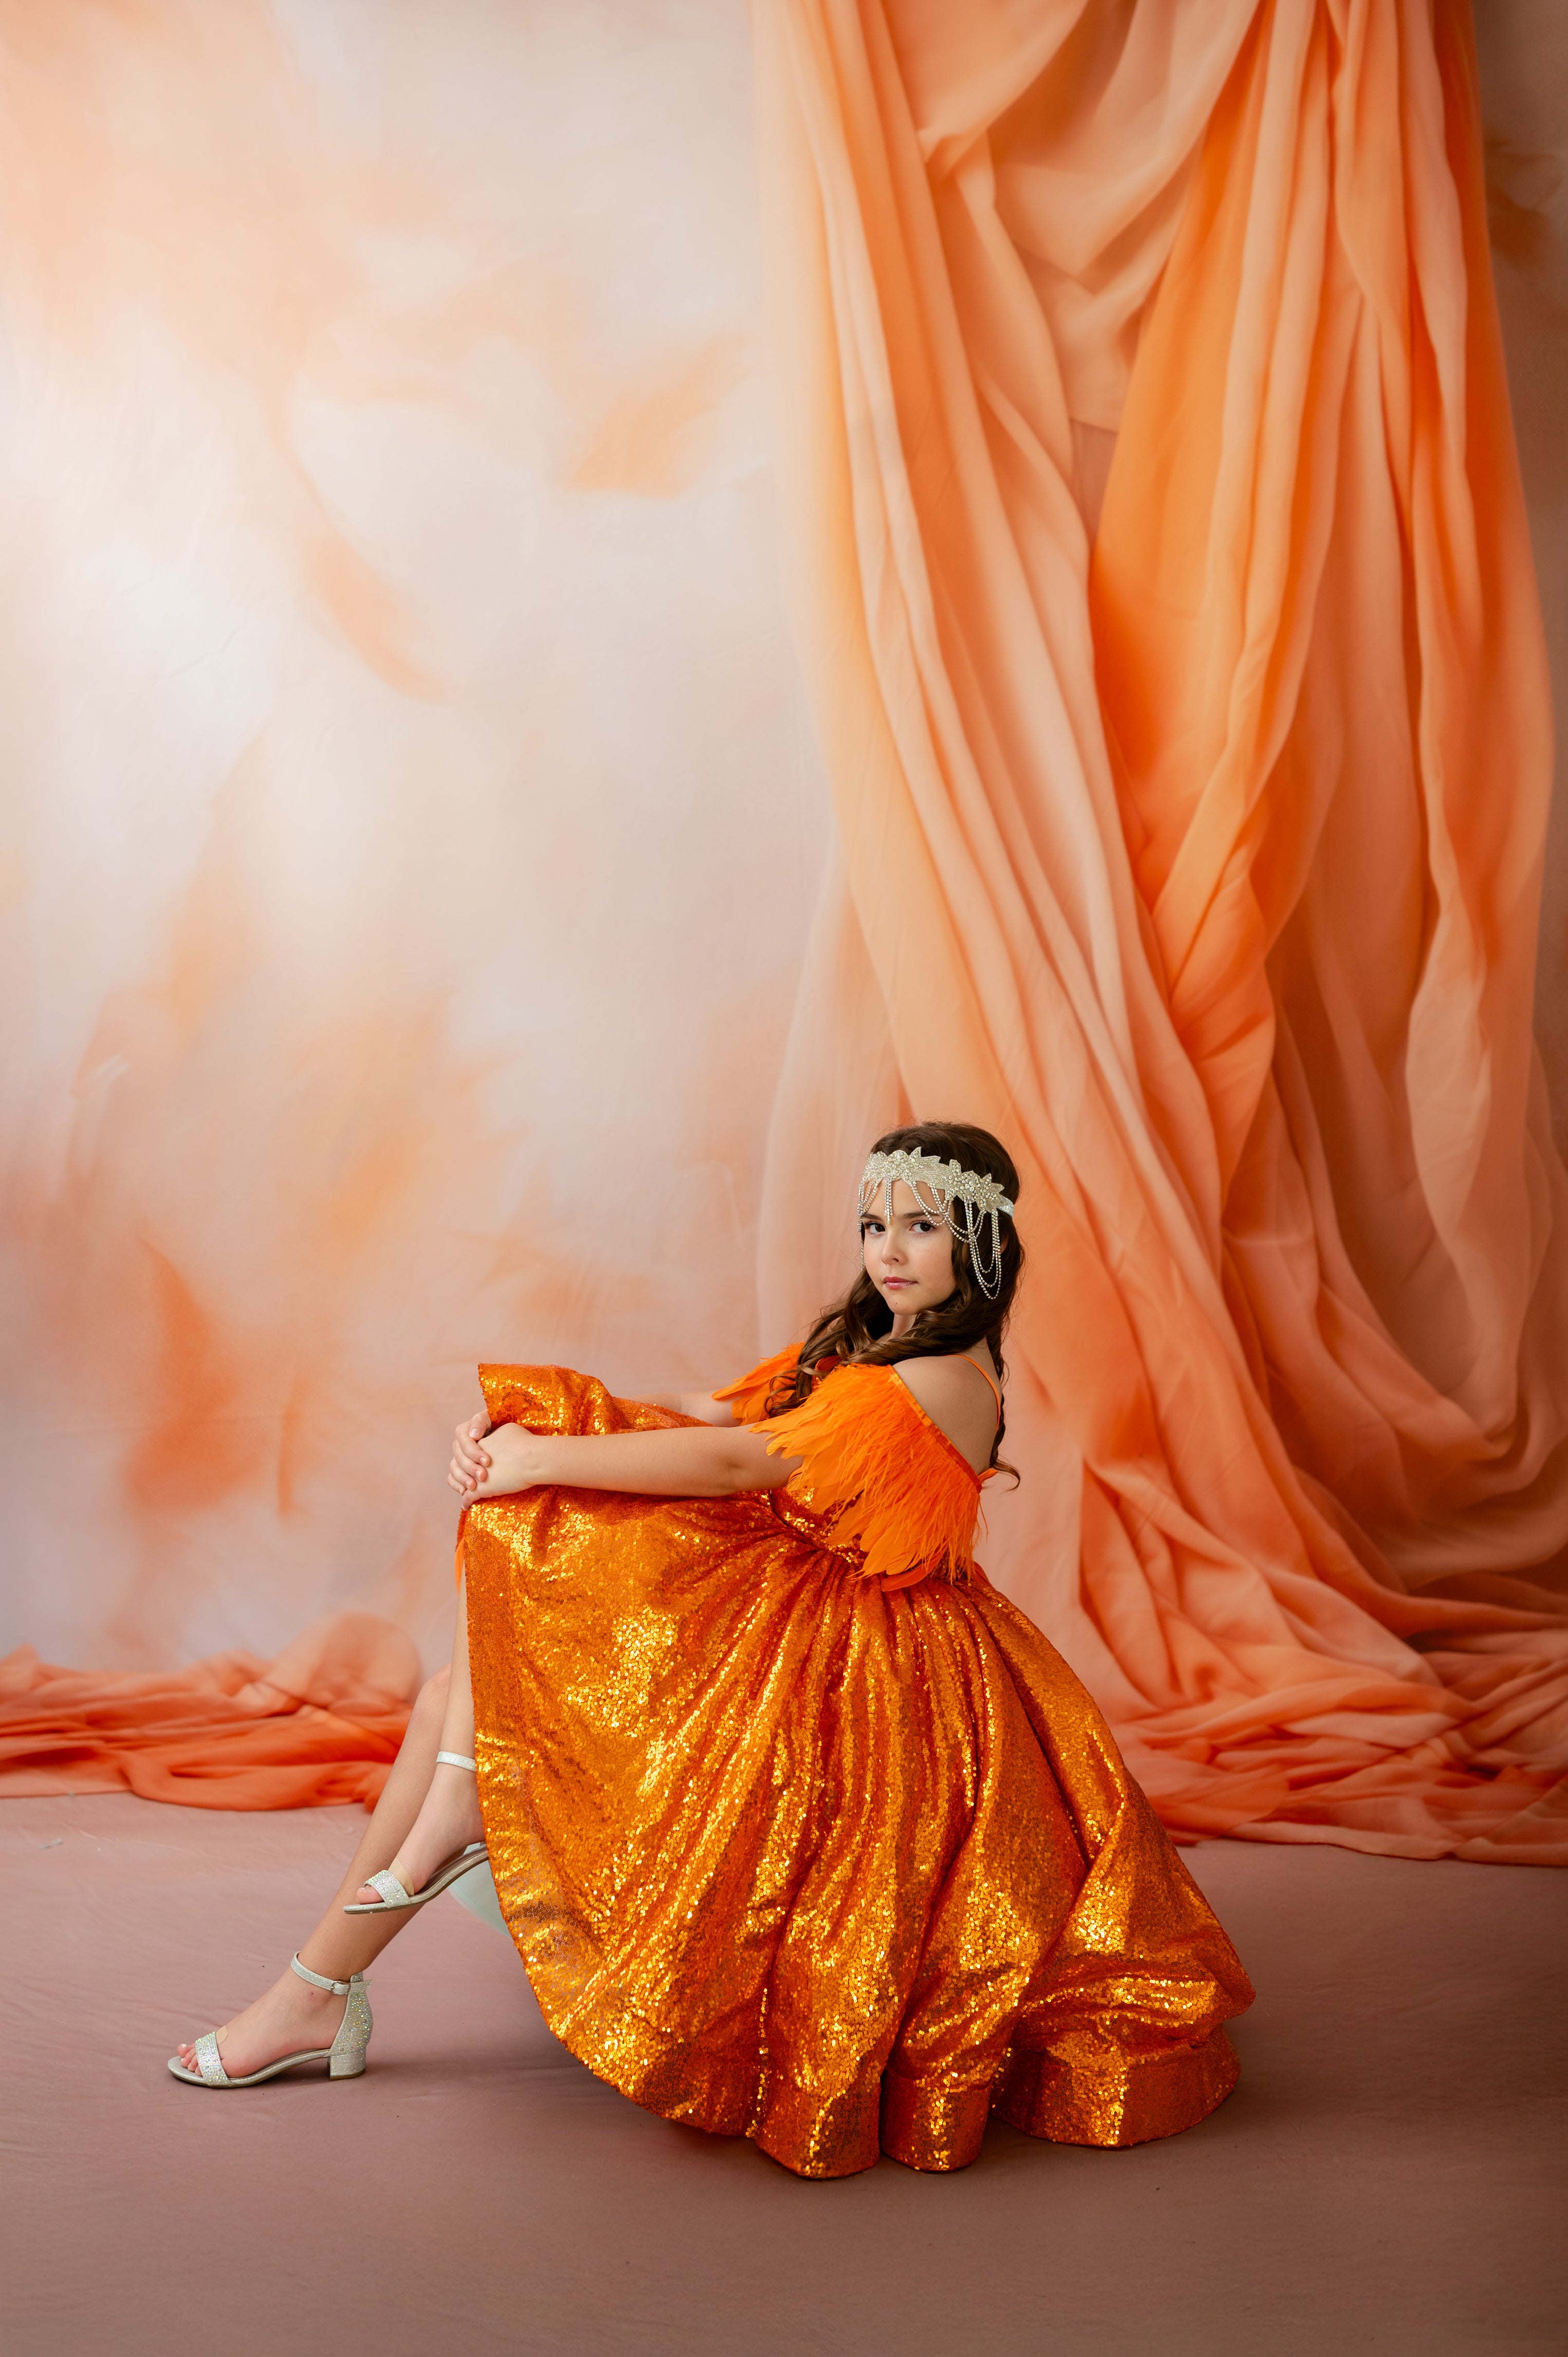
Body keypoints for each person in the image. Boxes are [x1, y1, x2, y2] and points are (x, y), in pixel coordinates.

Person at [171, 1121, 1253, 2177]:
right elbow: (709, 1407)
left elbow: (743, 1461)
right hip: (801, 1606)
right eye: (873, 1223)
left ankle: (333, 1967)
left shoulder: (942, 1379)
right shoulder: (868, 1347)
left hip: (868, 1664)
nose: (886, 1247)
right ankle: (326, 1978)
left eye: (919, 1226)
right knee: (463, 1677)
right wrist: (522, 1426)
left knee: (529, 1556)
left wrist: (546, 1460)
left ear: (979, 1243)